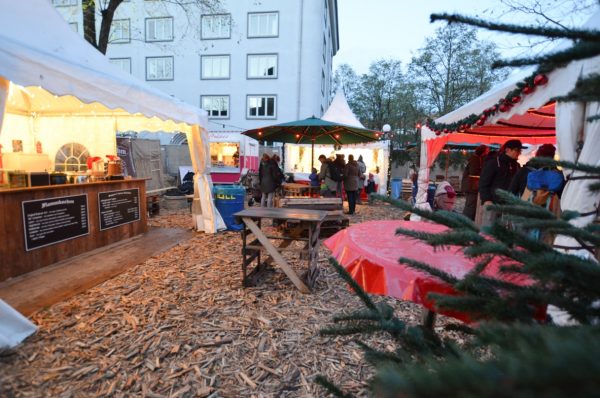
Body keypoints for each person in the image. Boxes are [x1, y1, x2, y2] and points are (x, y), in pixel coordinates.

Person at [479, 139, 523, 226]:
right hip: (493, 203)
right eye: (517, 150)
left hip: (508, 205)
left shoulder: (516, 166)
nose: (519, 153)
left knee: (504, 232)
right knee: (490, 230)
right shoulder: (493, 162)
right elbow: (483, 182)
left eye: (520, 150)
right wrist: (486, 199)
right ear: (507, 150)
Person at [461, 145, 489, 220]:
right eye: (486, 151)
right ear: (482, 152)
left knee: (471, 205)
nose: (487, 153)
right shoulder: (475, 159)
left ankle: (467, 221)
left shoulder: (477, 159)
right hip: (471, 186)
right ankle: (465, 222)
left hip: (472, 186)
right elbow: (473, 172)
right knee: (470, 206)